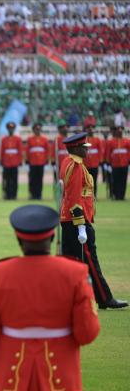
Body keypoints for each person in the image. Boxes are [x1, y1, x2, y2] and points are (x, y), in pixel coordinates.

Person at [0, 204, 100, 391]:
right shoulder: (74, 272)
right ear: (53, 237)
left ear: (18, 239)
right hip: (62, 381)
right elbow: (87, 333)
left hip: (12, 382)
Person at [59, 132, 128, 310]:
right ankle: (105, 297)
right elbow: (74, 197)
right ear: (75, 148)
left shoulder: (70, 162)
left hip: (69, 219)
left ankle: (65, 298)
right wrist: (81, 225)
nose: (86, 150)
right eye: (84, 147)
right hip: (77, 221)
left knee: (69, 262)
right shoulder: (75, 165)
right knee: (90, 261)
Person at [25, 123, 49, 200]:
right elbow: (27, 150)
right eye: (36, 129)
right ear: (33, 130)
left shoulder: (44, 139)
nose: (37, 131)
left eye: (39, 129)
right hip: (32, 162)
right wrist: (27, 159)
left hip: (41, 162)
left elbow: (47, 150)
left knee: (39, 179)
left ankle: (39, 194)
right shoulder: (30, 139)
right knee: (32, 179)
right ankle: (32, 194)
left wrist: (46, 159)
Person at [106, 125, 129, 200]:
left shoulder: (127, 141)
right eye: (118, 130)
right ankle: (116, 195)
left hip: (124, 164)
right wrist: (108, 162)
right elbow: (109, 152)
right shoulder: (111, 141)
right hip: (115, 164)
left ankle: (122, 196)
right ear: (116, 132)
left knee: (123, 181)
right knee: (115, 180)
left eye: (121, 129)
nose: (120, 131)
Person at [0, 122, 22, 200]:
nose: (10, 130)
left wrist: (20, 161)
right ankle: (7, 194)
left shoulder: (18, 139)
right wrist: (1, 160)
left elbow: (19, 151)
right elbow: (2, 150)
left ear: (14, 129)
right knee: (7, 180)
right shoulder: (4, 139)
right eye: (9, 128)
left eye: (12, 128)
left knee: (14, 180)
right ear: (7, 129)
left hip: (14, 163)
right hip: (6, 163)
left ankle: (14, 195)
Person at [83, 124, 103, 197]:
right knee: (85, 181)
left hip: (94, 164)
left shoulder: (97, 140)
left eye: (91, 128)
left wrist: (100, 161)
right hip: (85, 164)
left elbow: (100, 151)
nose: (90, 129)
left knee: (94, 181)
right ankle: (86, 195)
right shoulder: (84, 140)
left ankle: (94, 195)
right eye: (88, 127)